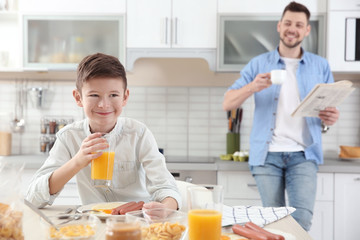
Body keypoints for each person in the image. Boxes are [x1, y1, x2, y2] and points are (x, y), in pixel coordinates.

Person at [222, 1, 339, 231]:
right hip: (267, 157)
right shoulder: (258, 64)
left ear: (307, 30)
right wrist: (252, 87)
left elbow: (329, 113)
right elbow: (227, 102)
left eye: (298, 24)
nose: (291, 28)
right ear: (279, 26)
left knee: (301, 221)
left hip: (304, 155)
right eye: (287, 23)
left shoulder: (320, 66)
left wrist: (330, 118)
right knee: (273, 223)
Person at [26, 53, 181, 211]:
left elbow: (167, 188)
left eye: (113, 95)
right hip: (92, 224)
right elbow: (32, 198)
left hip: (136, 221)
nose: (104, 105)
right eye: (94, 95)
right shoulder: (68, 137)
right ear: (78, 98)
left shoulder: (138, 134)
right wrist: (77, 161)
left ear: (125, 97)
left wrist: (164, 209)